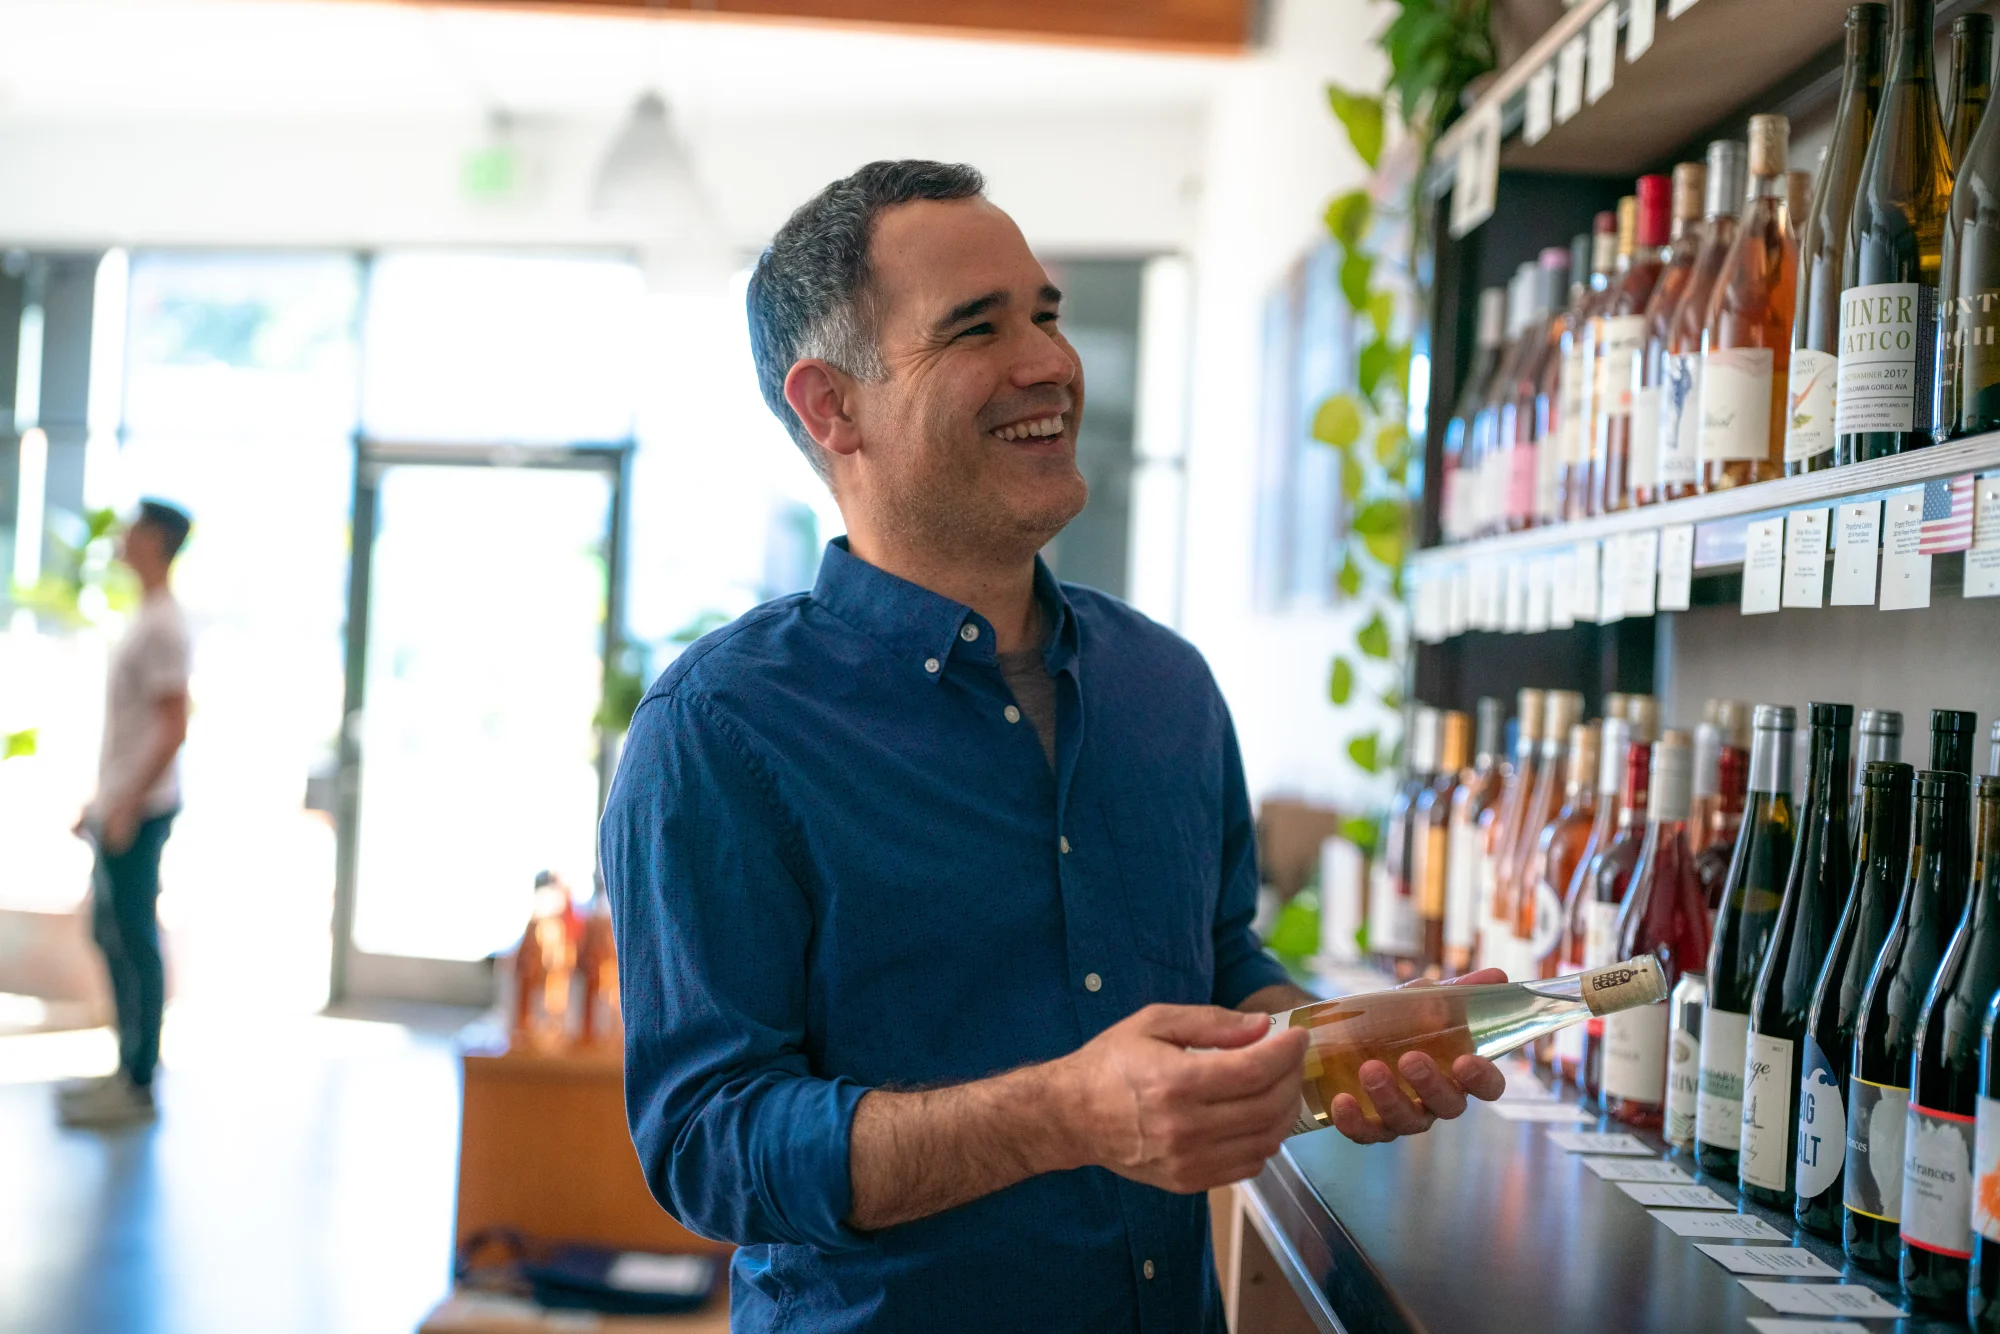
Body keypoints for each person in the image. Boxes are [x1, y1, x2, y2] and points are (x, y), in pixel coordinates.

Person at [599, 161, 1505, 1332]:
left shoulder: (1165, 686)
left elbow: (1217, 959)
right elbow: (707, 1147)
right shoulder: (717, 731)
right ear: (831, 407)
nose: (1049, 363)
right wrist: (1062, 1112)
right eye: (976, 327)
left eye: (1045, 313)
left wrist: (1341, 1051)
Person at [60, 499, 193, 1130]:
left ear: (157, 540)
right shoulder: (146, 616)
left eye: (135, 528)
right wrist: (103, 800)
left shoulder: (164, 624)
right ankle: (126, 1072)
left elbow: (172, 726)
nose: (123, 536)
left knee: (133, 938)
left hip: (140, 811)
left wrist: (129, 805)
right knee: (110, 934)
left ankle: (138, 1081)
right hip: (122, 806)